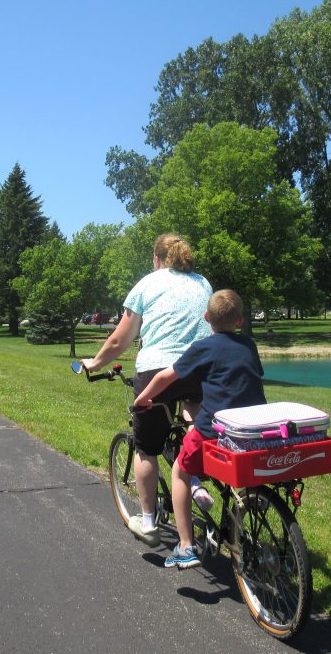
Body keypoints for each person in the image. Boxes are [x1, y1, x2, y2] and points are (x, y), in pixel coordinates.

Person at [80, 233, 212, 546]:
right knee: (196, 423)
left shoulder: (147, 283)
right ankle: (194, 481)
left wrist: (94, 363)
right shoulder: (202, 282)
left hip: (158, 370)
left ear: (157, 259)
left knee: (148, 447)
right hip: (200, 367)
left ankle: (149, 520)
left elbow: (118, 340)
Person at [134, 289, 266, 568]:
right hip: (251, 428)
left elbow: (166, 375)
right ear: (240, 321)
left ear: (206, 317)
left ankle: (185, 546)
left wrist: (144, 397)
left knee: (180, 471)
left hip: (215, 431)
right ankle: (250, 504)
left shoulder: (204, 347)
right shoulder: (249, 345)